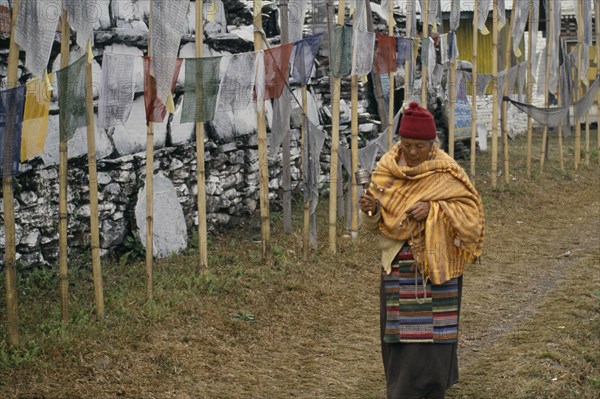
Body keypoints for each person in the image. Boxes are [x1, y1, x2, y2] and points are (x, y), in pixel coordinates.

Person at [359, 102, 485, 399]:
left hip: (438, 267)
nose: (413, 152)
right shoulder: (386, 171)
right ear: (398, 142)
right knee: (400, 336)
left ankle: (433, 389)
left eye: (420, 145)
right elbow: (374, 223)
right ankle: (402, 391)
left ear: (433, 143)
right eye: (407, 144)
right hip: (398, 267)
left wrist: (433, 209)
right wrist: (372, 209)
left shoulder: (447, 171)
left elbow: (472, 215)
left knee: (435, 338)